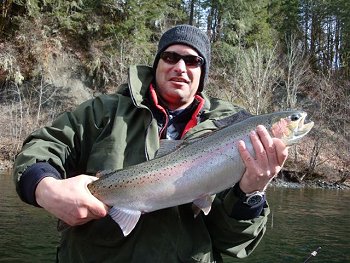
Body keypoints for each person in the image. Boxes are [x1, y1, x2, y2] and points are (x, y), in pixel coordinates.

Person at [13, 24, 288, 262]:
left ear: (202, 73)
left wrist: (251, 194)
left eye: (193, 61)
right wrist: (44, 187)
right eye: (171, 57)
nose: (180, 67)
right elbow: (43, 146)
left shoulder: (233, 131)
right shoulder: (105, 111)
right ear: (157, 63)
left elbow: (233, 244)